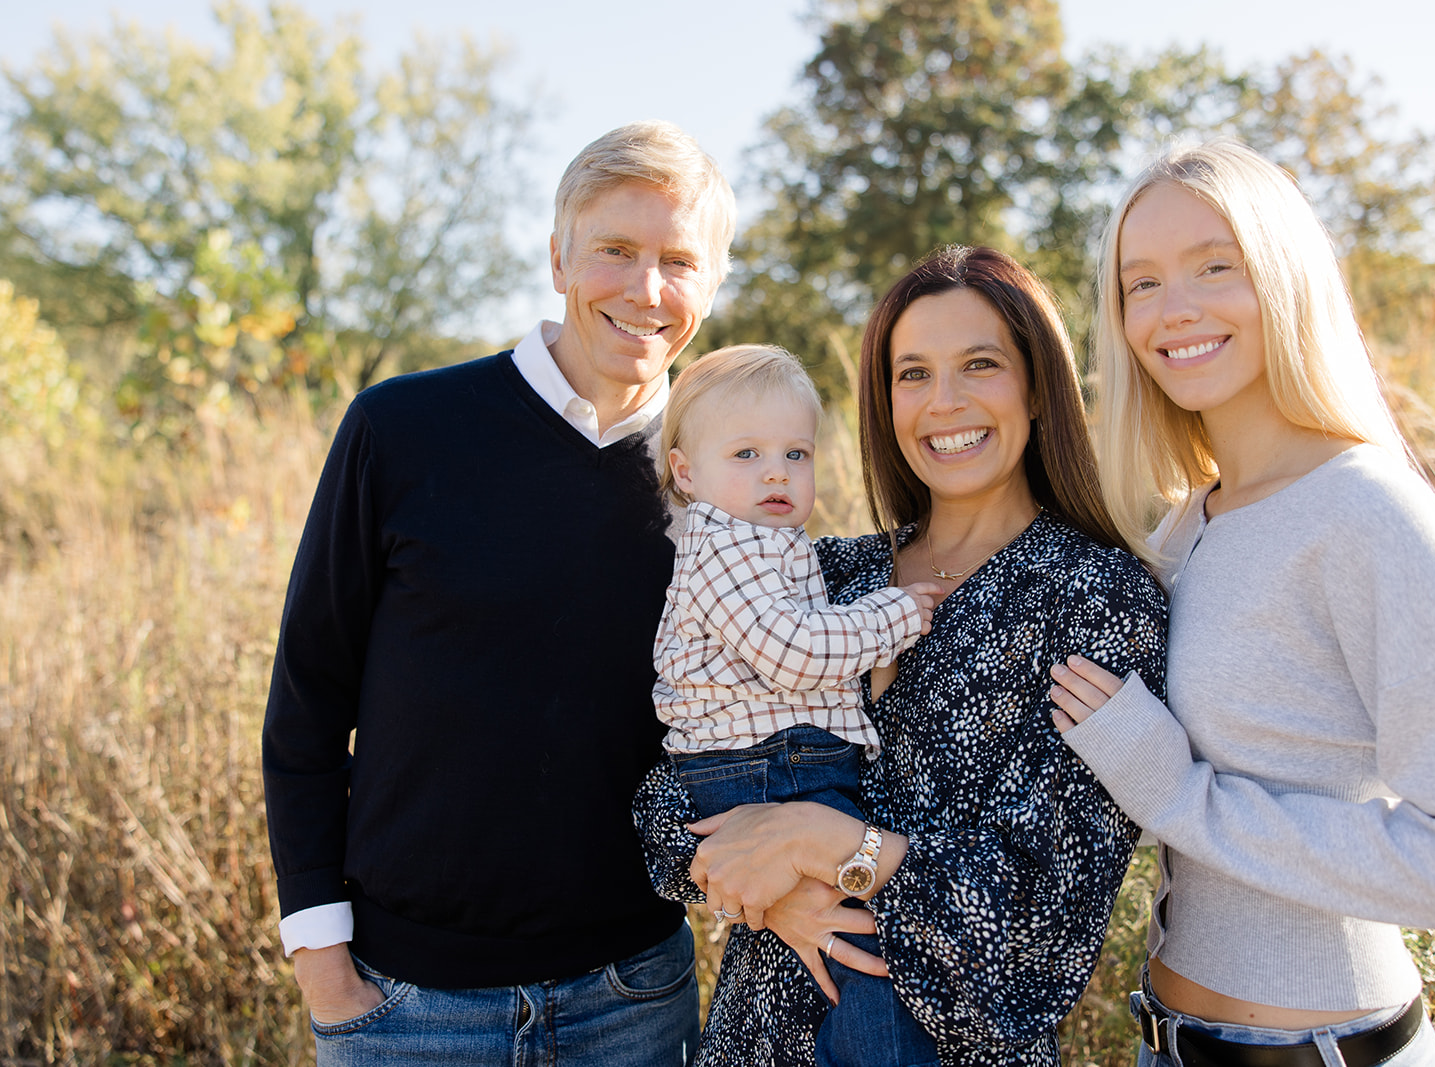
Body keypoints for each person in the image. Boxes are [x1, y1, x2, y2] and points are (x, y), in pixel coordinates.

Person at [1047, 140, 1435, 1067]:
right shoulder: (1186, 525)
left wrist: (1180, 794)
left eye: (1217, 267)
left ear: (1285, 277)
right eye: (1142, 283)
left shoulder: (1365, 510)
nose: (1175, 309)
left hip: (1331, 1049)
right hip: (1167, 1043)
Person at [261, 120, 735, 1065]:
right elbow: (308, 698)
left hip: (633, 998)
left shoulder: (725, 475)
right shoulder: (401, 428)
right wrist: (323, 961)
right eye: (615, 250)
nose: (646, 290)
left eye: (679, 260)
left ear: (711, 285)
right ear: (558, 254)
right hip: (406, 1008)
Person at [634, 246, 1169, 1066]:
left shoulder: (1093, 596)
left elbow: (1040, 919)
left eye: (980, 364)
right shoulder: (828, 571)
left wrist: (819, 843)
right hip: (756, 1037)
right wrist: (777, 897)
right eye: (912, 373)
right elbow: (666, 800)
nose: (943, 402)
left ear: (1037, 385)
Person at [652, 342, 942, 1064]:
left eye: (796, 453)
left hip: (776, 763)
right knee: (865, 941)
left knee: (846, 936)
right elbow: (794, 650)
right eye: (745, 453)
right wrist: (896, 616)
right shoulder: (724, 550)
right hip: (765, 769)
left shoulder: (774, 543)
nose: (777, 471)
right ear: (686, 472)